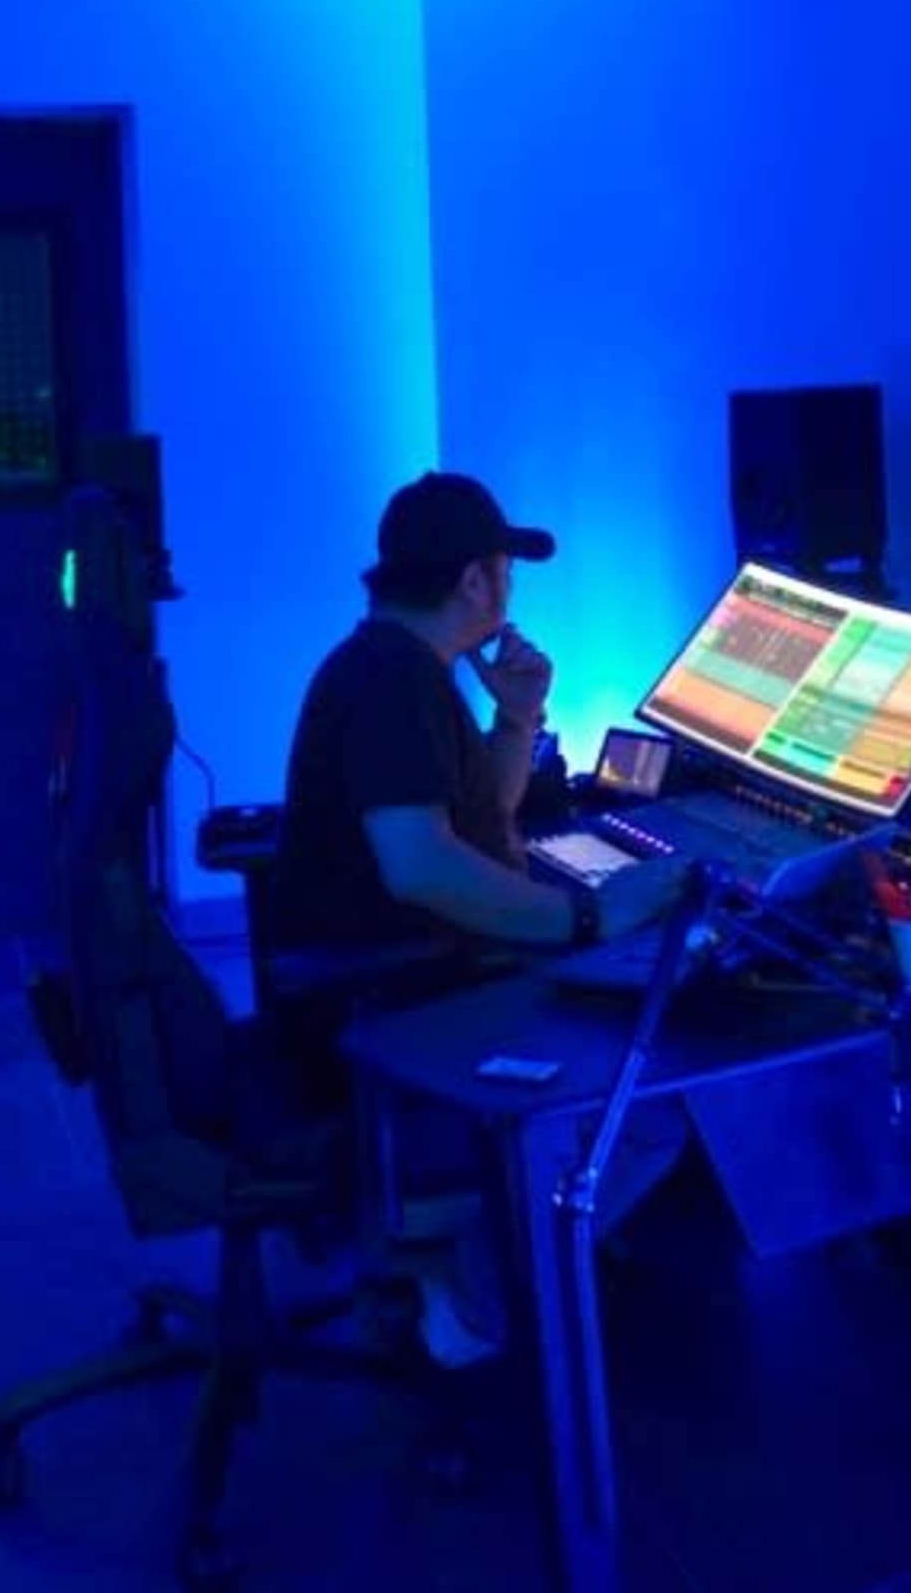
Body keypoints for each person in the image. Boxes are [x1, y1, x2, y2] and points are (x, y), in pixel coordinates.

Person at [270, 471, 697, 1364]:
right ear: (476, 581)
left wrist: (519, 717)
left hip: (391, 976)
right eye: (506, 568)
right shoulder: (394, 685)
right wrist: (583, 917)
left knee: (637, 1011)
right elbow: (422, 867)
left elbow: (483, 829)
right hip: (397, 1000)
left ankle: (516, 1254)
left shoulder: (395, 667)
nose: (510, 586)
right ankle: (470, 1304)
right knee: (656, 1100)